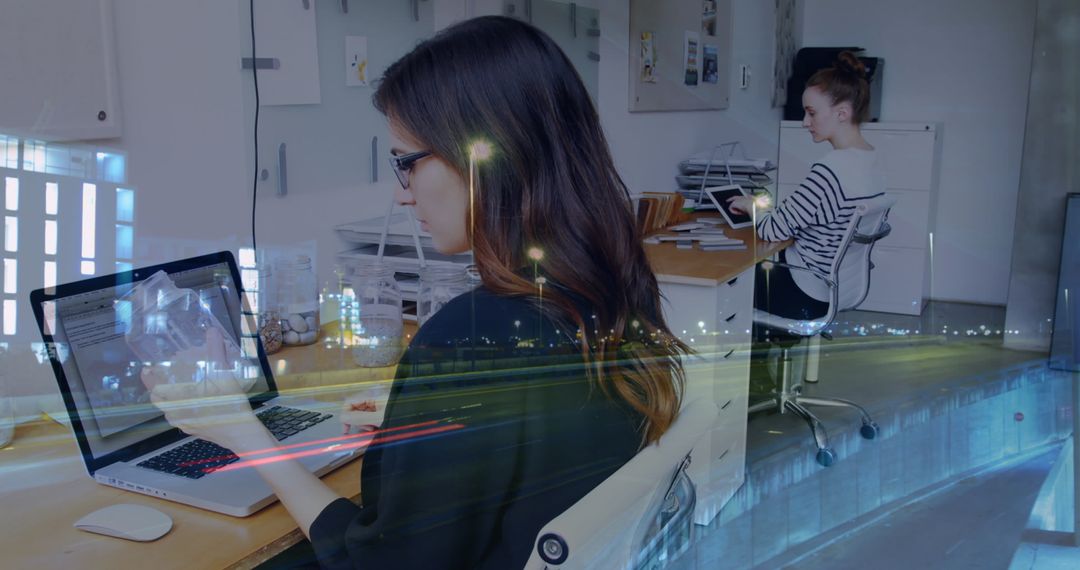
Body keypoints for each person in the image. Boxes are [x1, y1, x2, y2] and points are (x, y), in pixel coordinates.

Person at [144, 16, 689, 569]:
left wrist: (242, 431)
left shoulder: (475, 333)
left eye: (406, 162)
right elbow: (551, 429)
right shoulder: (608, 284)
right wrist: (428, 416)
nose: (401, 194)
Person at [729, 51, 885, 321]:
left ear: (842, 113)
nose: (804, 122)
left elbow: (773, 229)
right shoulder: (871, 162)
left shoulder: (830, 170)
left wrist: (752, 206)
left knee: (726, 278)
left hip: (802, 292)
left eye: (811, 113)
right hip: (831, 292)